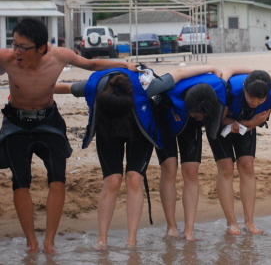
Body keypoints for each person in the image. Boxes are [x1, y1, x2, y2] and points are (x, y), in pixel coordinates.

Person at [0, 17, 139, 254]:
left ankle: (49, 243)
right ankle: (31, 243)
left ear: (41, 48)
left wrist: (123, 64)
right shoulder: (7, 58)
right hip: (16, 123)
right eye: (15, 44)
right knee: (20, 181)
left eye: (23, 47)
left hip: (49, 121)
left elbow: (91, 64)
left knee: (57, 179)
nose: (17, 51)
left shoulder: (59, 56)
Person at [56, 64, 222, 249]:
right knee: (112, 181)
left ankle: (131, 241)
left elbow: (179, 73)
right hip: (107, 129)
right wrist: (32, 90)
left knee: (134, 179)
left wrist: (211, 67)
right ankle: (101, 240)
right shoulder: (96, 86)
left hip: (138, 130)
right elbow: (67, 87)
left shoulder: (146, 86)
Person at [155, 66, 245, 240]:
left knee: (191, 171)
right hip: (165, 119)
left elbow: (231, 71)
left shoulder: (216, 90)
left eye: (203, 117)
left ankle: (189, 229)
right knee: (169, 169)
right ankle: (171, 227)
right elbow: (178, 73)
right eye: (198, 116)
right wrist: (210, 67)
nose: (201, 119)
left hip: (190, 125)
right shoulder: (169, 91)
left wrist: (198, 118)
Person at [210, 70, 271, 235]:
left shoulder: (270, 95)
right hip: (220, 125)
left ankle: (249, 222)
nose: (255, 103)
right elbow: (220, 120)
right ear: (244, 89)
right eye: (251, 98)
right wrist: (250, 122)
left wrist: (249, 124)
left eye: (260, 99)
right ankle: (231, 222)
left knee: (247, 166)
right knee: (226, 168)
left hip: (247, 125)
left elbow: (259, 119)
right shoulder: (231, 92)